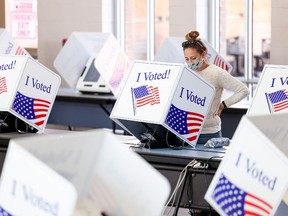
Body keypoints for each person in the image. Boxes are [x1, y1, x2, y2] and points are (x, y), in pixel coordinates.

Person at [182, 30, 250, 144]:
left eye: (193, 58)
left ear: (203, 54)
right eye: (187, 59)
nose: (190, 63)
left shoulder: (216, 73)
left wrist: (223, 105)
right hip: (186, 132)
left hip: (208, 134)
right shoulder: (186, 72)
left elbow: (243, 90)